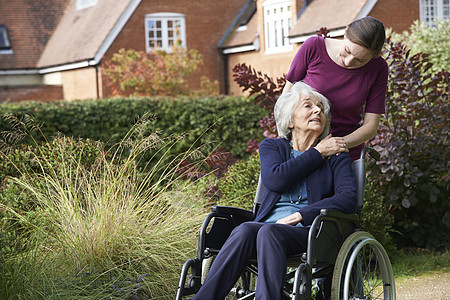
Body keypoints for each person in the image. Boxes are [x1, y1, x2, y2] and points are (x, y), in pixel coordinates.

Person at [192, 82, 357, 300]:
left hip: (311, 231)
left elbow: (348, 198)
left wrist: (302, 214)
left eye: (320, 108)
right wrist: (317, 153)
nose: (318, 110)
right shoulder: (273, 147)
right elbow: (276, 179)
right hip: (266, 229)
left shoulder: (336, 155)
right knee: (245, 230)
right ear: (290, 120)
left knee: (268, 232)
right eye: (308, 106)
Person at [283, 16, 388, 161]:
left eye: (360, 60)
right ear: (345, 33)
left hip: (343, 154)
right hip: (300, 150)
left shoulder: (378, 68)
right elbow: (284, 102)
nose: (348, 61)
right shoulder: (313, 47)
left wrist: (335, 145)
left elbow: (371, 126)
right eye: (347, 50)